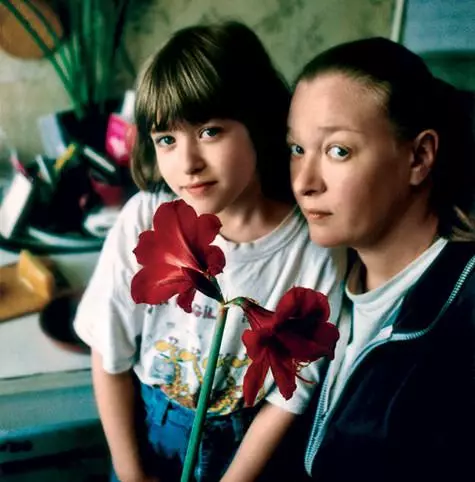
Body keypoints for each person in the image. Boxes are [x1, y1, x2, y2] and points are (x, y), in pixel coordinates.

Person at [74, 21, 345, 482]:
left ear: (260, 122)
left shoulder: (314, 245)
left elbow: (290, 395)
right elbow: (109, 352)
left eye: (210, 131)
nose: (187, 163)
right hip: (147, 433)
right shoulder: (144, 219)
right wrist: (132, 474)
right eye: (167, 140)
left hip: (251, 448)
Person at [288, 36, 475, 482]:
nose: (304, 182)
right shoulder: (319, 283)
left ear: (419, 157)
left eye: (338, 150)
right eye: (297, 149)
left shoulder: (464, 318)